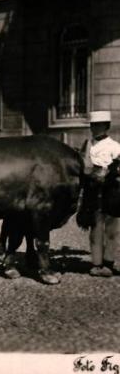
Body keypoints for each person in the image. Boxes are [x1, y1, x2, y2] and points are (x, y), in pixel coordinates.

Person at [78, 111, 120, 277]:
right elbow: (83, 167)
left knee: (112, 229)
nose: (94, 128)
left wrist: (110, 172)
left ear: (106, 126)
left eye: (98, 125)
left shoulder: (115, 146)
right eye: (93, 125)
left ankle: (109, 262)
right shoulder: (87, 145)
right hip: (92, 193)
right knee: (95, 229)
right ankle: (97, 264)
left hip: (112, 192)